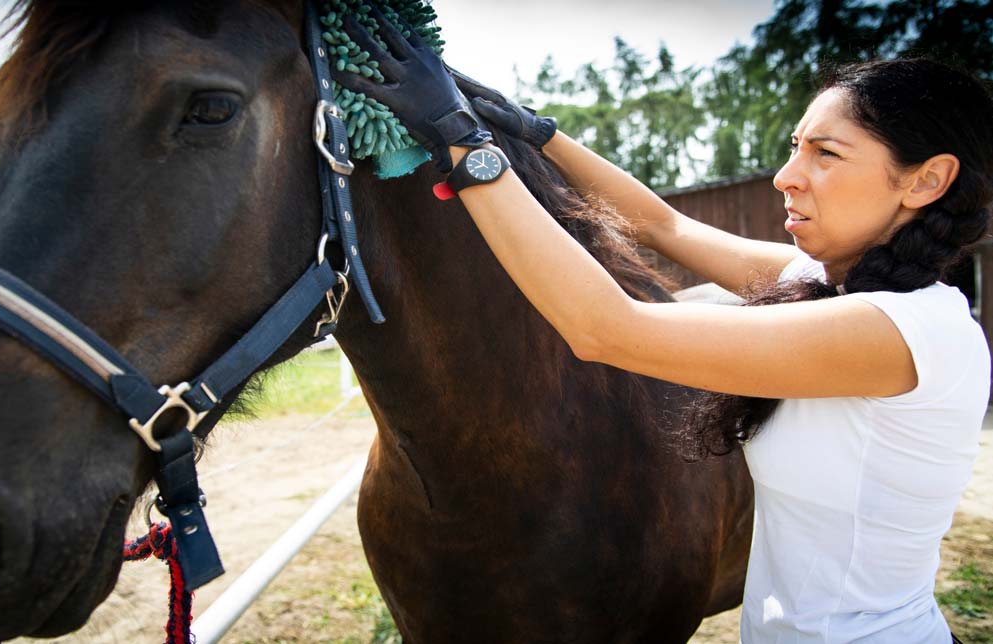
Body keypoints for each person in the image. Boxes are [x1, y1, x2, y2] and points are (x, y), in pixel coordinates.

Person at [334, 7, 992, 643]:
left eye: (825, 154)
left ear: (925, 180)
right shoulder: (824, 287)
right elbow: (663, 225)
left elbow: (605, 329)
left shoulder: (902, 332)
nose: (786, 177)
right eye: (794, 147)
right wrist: (533, 133)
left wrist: (466, 145)